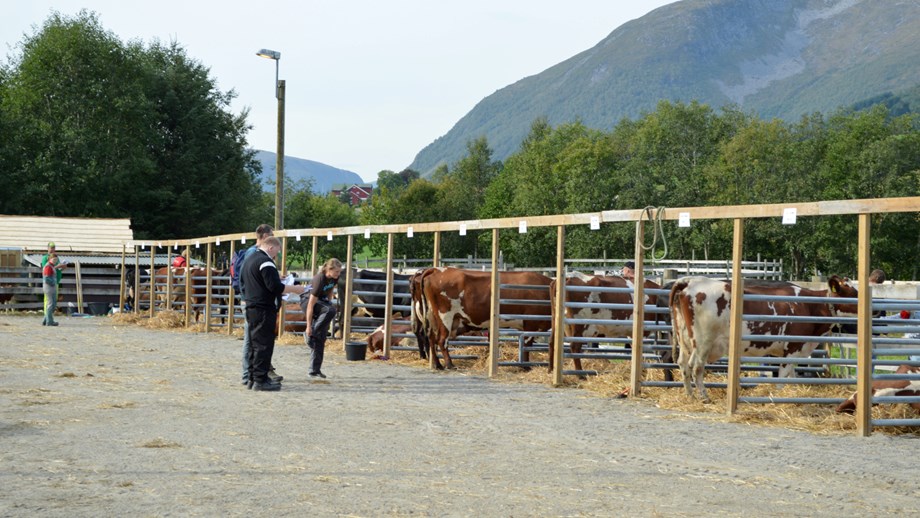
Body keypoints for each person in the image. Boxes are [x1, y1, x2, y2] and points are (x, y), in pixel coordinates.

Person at [240, 236, 306, 391]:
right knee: (263, 344)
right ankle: (261, 380)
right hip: (263, 308)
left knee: (254, 345)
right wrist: (296, 289)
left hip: (251, 306)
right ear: (271, 247)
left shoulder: (250, 259)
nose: (278, 254)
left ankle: (251, 377)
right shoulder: (266, 262)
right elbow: (275, 287)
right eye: (277, 251)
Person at [237, 224, 282, 386]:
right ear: (265, 237)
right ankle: (254, 376)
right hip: (256, 303)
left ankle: (252, 376)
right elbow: (268, 284)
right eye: (271, 235)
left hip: (250, 300)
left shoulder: (251, 255)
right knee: (256, 341)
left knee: (253, 340)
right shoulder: (257, 255)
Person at [304, 258, 343, 378]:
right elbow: (310, 304)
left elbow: (330, 291)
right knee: (331, 310)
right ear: (329, 270)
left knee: (320, 338)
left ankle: (314, 370)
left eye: (339, 272)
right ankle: (309, 334)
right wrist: (309, 326)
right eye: (336, 272)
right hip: (308, 302)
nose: (338, 274)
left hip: (321, 303)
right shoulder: (319, 279)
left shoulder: (333, 278)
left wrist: (329, 302)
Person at [42, 252, 65, 326]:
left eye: (56, 260)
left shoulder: (52, 266)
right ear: (50, 259)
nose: (55, 261)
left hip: (51, 287)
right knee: (50, 304)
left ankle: (46, 320)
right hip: (49, 287)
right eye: (54, 259)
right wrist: (53, 283)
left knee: (52, 304)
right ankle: (50, 321)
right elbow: (46, 278)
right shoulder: (48, 266)